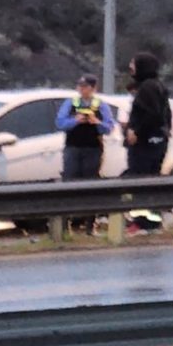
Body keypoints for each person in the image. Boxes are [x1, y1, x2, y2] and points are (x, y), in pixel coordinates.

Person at [56, 74, 115, 235]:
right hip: (73, 148)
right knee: (69, 183)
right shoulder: (71, 103)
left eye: (85, 86)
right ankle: (65, 225)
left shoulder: (100, 105)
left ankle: (90, 226)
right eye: (79, 86)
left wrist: (96, 122)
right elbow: (60, 123)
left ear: (93, 88)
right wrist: (76, 120)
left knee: (91, 185)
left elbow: (109, 128)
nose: (81, 89)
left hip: (93, 149)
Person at [125, 52, 171, 234]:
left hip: (146, 144)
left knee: (141, 181)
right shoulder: (157, 86)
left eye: (133, 64)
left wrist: (136, 131)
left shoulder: (147, 88)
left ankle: (143, 223)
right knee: (150, 180)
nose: (130, 67)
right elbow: (165, 114)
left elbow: (152, 114)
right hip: (155, 142)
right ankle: (149, 222)